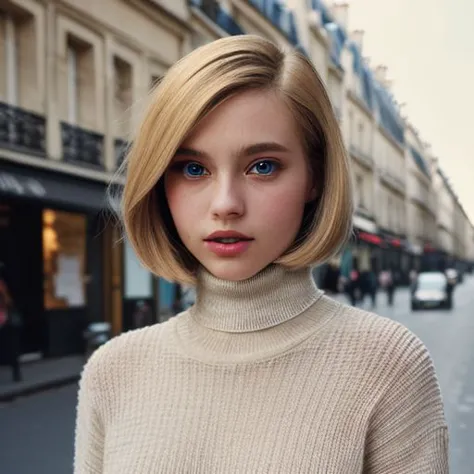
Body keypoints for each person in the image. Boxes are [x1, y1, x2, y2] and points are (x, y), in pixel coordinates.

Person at [74, 36, 448, 473]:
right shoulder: (113, 372)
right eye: (193, 169)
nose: (226, 203)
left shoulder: (388, 365)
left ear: (315, 177)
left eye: (263, 166)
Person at [0, 263, 22, 382]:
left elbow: (7, 301)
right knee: (11, 346)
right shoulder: (4, 285)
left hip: (4, 318)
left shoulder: (2, 286)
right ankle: (16, 373)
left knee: (11, 345)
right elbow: (9, 302)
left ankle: (16, 372)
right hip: (5, 318)